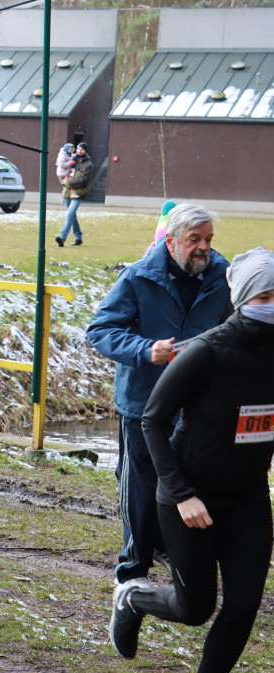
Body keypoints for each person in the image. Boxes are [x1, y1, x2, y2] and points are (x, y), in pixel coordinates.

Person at [109, 247, 274, 673]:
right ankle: (132, 599)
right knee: (195, 608)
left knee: (242, 608)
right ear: (244, 300)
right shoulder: (207, 351)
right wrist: (182, 494)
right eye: (265, 297)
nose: (273, 305)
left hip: (250, 497)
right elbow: (153, 420)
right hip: (191, 496)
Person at [86, 204, 233, 592]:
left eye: (208, 240)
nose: (204, 248)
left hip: (197, 404)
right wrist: (145, 350)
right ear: (170, 241)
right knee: (140, 487)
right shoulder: (137, 277)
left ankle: (174, 552)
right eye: (194, 240)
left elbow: (235, 328)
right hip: (143, 402)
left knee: (186, 482)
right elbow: (100, 330)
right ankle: (133, 569)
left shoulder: (223, 276)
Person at [55, 141, 92, 247]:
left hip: (78, 193)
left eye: (82, 149)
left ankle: (62, 237)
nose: (79, 151)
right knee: (72, 216)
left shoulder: (88, 164)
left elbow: (83, 180)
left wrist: (69, 182)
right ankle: (78, 237)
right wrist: (63, 180)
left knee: (69, 214)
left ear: (85, 151)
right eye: (78, 148)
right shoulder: (70, 159)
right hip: (67, 192)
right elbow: (61, 171)